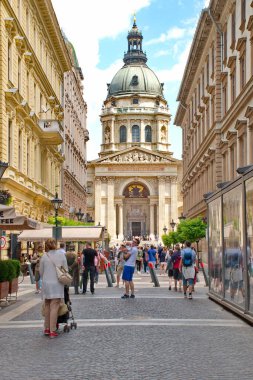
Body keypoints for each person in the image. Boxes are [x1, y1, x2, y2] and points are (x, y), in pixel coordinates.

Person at [39, 238, 68, 338]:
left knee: (47, 305)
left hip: (46, 284)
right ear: (55, 244)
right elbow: (65, 270)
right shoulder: (61, 255)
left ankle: (47, 328)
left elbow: (41, 272)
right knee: (54, 307)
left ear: (46, 245)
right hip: (57, 284)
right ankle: (52, 330)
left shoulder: (44, 256)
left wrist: (46, 277)